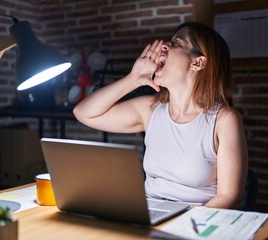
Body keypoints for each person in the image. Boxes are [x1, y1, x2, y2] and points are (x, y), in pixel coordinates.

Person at [73, 22, 248, 209]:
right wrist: (133, 78)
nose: (164, 46)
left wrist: (180, 227)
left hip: (194, 225)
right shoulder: (150, 109)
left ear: (197, 62)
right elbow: (83, 113)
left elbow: (229, 197)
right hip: (146, 216)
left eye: (176, 43)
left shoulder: (224, 119)